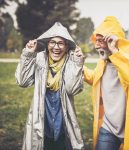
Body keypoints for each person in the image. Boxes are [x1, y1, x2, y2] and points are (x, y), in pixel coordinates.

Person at [84, 16, 129, 150]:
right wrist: (80, 67)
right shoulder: (102, 62)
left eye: (101, 40)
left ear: (113, 40)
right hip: (109, 128)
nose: (96, 45)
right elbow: (95, 78)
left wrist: (115, 52)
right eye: (96, 41)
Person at [15, 22, 85, 150]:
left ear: (67, 46)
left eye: (61, 43)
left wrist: (77, 63)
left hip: (63, 123)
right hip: (42, 122)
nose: (56, 47)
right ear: (47, 44)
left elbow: (72, 88)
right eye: (52, 42)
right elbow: (22, 81)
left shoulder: (71, 61)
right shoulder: (39, 59)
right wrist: (28, 54)